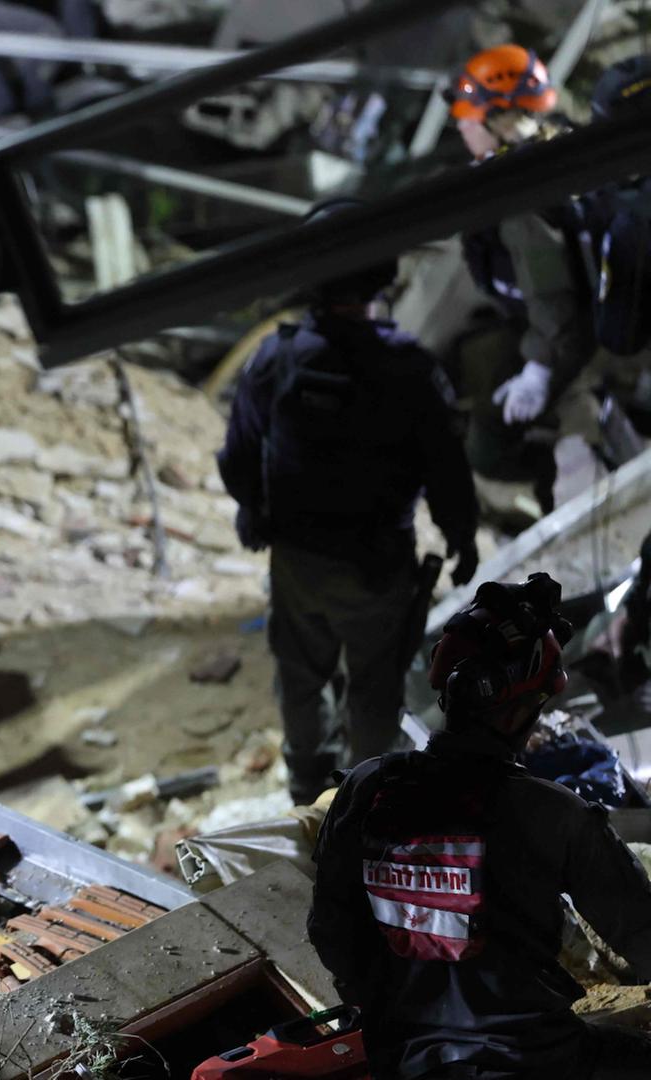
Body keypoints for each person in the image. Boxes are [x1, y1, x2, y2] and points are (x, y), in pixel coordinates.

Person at [308, 572, 651, 1078]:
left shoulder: (367, 788)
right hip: (531, 1058)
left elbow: (330, 931)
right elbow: (643, 934)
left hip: (406, 1058)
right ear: (528, 710)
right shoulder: (556, 816)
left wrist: (393, 1014)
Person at [218, 208, 480, 806]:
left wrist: (254, 512)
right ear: (380, 277)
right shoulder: (410, 367)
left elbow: (237, 455)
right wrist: (461, 537)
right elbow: (445, 465)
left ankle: (305, 788)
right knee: (374, 686)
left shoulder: (275, 357)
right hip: (377, 568)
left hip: (297, 559)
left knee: (301, 678)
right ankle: (364, 800)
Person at [451, 45, 601, 514]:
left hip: (578, 335)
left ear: (498, 119)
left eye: (469, 119)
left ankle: (577, 486)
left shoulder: (523, 189)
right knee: (474, 360)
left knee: (487, 444)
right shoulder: (554, 146)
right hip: (555, 320)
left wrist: (537, 371)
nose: (461, 128)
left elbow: (551, 293)